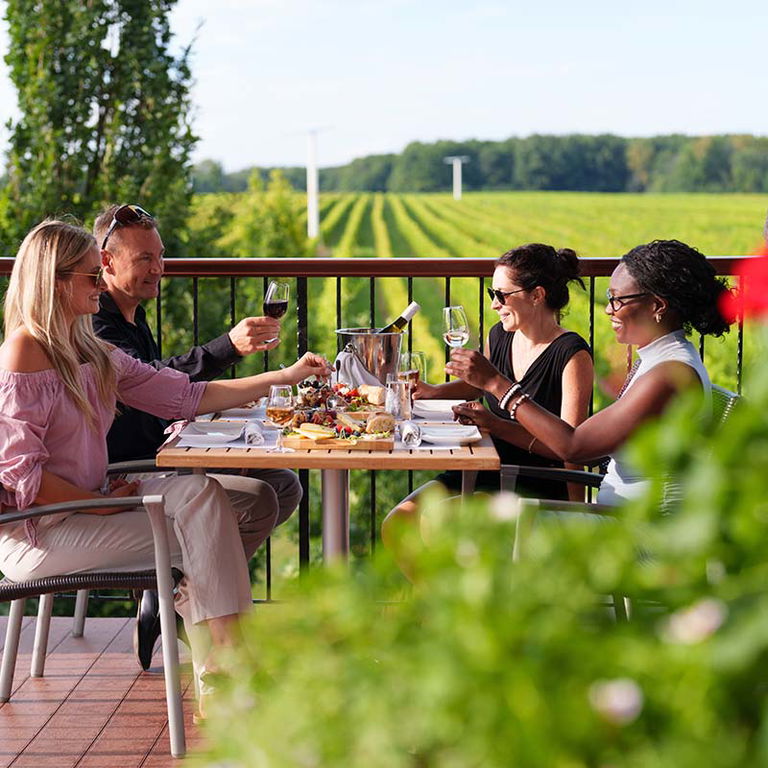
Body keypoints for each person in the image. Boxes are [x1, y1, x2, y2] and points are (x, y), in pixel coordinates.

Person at [0, 220, 331, 718]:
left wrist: (284, 376)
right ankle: (227, 663)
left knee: (226, 500)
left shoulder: (90, 349)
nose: (102, 284)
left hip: (89, 509)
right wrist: (105, 502)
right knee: (203, 522)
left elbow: (184, 396)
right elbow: (19, 475)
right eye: (93, 276)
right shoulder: (25, 350)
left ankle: (221, 665)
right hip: (39, 532)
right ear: (55, 280)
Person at [91, 203, 303, 669]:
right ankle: (185, 604)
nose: (159, 269)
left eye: (161, 256)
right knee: (263, 494)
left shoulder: (130, 313)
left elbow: (159, 387)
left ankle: (168, 594)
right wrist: (231, 350)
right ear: (106, 263)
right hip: (132, 468)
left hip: (165, 450)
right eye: (145, 258)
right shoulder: (96, 324)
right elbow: (157, 385)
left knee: (283, 484)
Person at [448, 239, 730, 504]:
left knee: (459, 519)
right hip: (614, 514)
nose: (608, 309)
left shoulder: (668, 373)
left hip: (636, 533)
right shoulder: (659, 359)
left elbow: (574, 446)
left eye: (618, 300)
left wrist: (498, 384)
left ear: (657, 306)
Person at [382, 243, 594, 561]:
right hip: (483, 466)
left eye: (502, 295)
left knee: (436, 522)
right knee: (398, 523)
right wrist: (433, 391)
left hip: (533, 480)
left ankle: (457, 606)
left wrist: (576, 512)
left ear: (537, 295)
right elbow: (479, 387)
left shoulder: (572, 355)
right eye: (491, 293)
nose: (494, 304)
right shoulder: (502, 335)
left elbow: (568, 448)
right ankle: (437, 607)